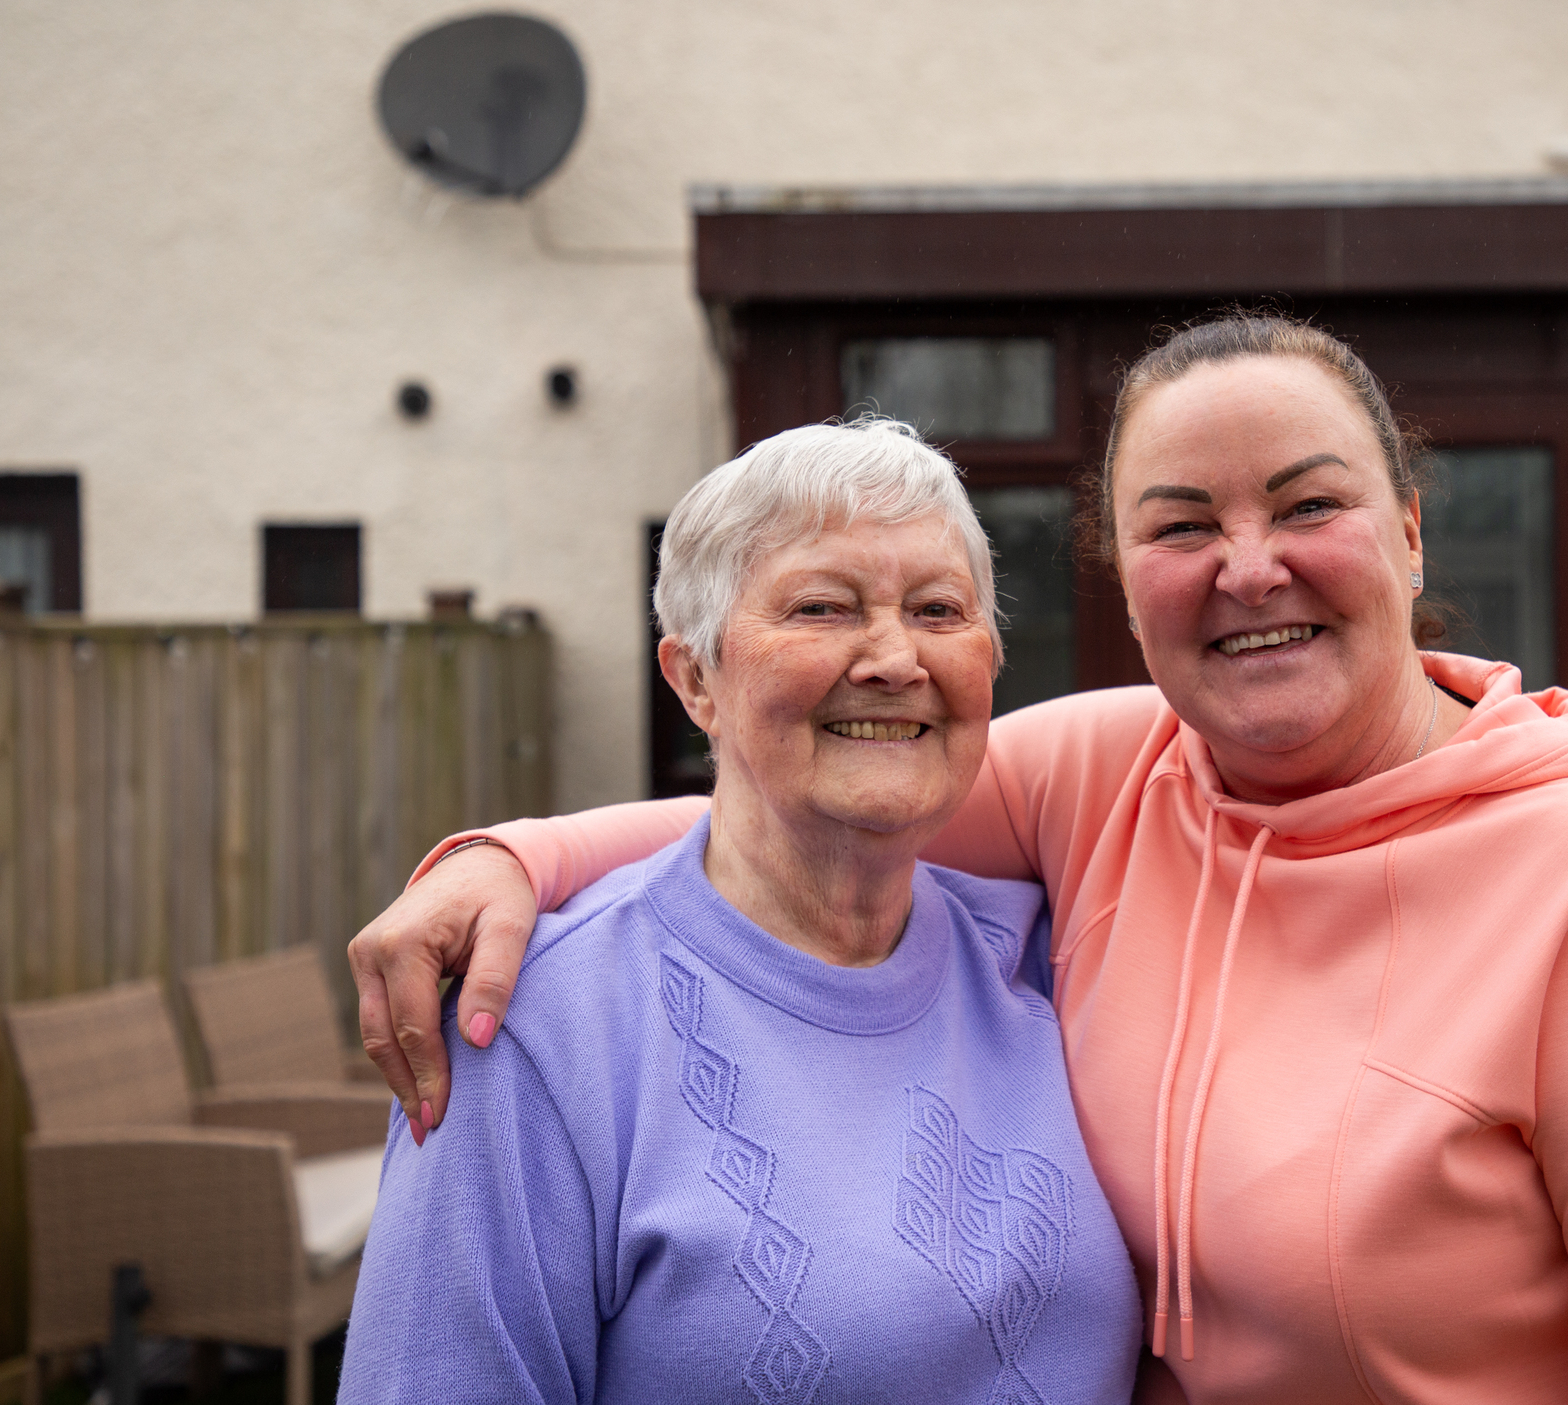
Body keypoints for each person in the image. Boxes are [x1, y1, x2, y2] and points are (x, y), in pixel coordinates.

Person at [352, 315, 1568, 1403]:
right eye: (1180, 525)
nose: (1247, 566)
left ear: (1407, 532)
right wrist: (510, 860)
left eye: (1307, 505)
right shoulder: (1121, 775)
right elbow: (802, 804)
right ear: (1124, 580)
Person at [337, 419, 1141, 1404]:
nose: (895, 658)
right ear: (695, 679)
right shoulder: (534, 1028)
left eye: (938, 610)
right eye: (821, 608)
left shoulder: (1054, 957)